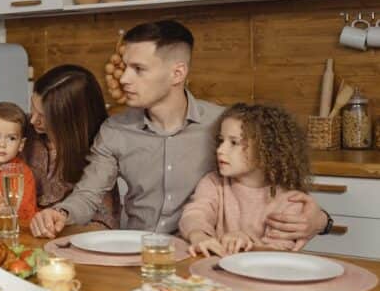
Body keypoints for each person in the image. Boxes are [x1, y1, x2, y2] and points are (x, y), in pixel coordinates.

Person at [30, 20, 330, 243]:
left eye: (139, 69)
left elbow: (272, 187)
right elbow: (88, 195)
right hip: (135, 254)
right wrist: (62, 213)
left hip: (201, 256)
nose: (123, 78)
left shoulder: (224, 126)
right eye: (124, 67)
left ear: (177, 73)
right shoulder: (115, 130)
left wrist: (320, 220)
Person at [180, 103, 313, 256]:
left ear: (267, 150)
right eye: (221, 140)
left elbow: (280, 250)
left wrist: (245, 243)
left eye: (234, 143)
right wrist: (198, 235)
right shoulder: (213, 182)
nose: (220, 150)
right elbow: (195, 213)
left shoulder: (291, 199)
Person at [24, 65, 121, 229]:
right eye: (32, 107)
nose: (33, 120)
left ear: (70, 122)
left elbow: (103, 224)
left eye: (44, 116)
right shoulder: (24, 132)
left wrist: (58, 221)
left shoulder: (100, 152)